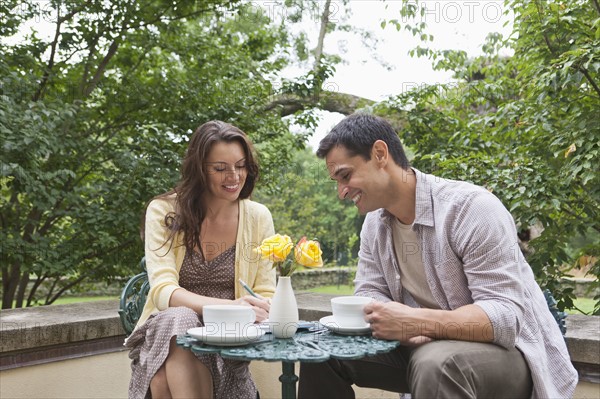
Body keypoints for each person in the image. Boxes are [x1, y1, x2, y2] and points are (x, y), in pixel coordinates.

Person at [298, 113, 577, 399]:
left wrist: (416, 322)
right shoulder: (375, 223)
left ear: (380, 154)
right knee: (320, 350)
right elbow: (370, 291)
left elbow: (504, 318)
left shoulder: (472, 209)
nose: (341, 192)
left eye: (345, 175)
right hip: (423, 347)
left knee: (437, 362)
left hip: (511, 355)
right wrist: (397, 323)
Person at [125, 120, 276, 399]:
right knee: (179, 317)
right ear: (199, 169)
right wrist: (231, 307)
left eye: (241, 166)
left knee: (161, 381)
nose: (233, 176)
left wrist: (257, 308)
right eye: (220, 168)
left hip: (227, 345)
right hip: (165, 335)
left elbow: (266, 294)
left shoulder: (258, 217)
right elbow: (162, 291)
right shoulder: (164, 211)